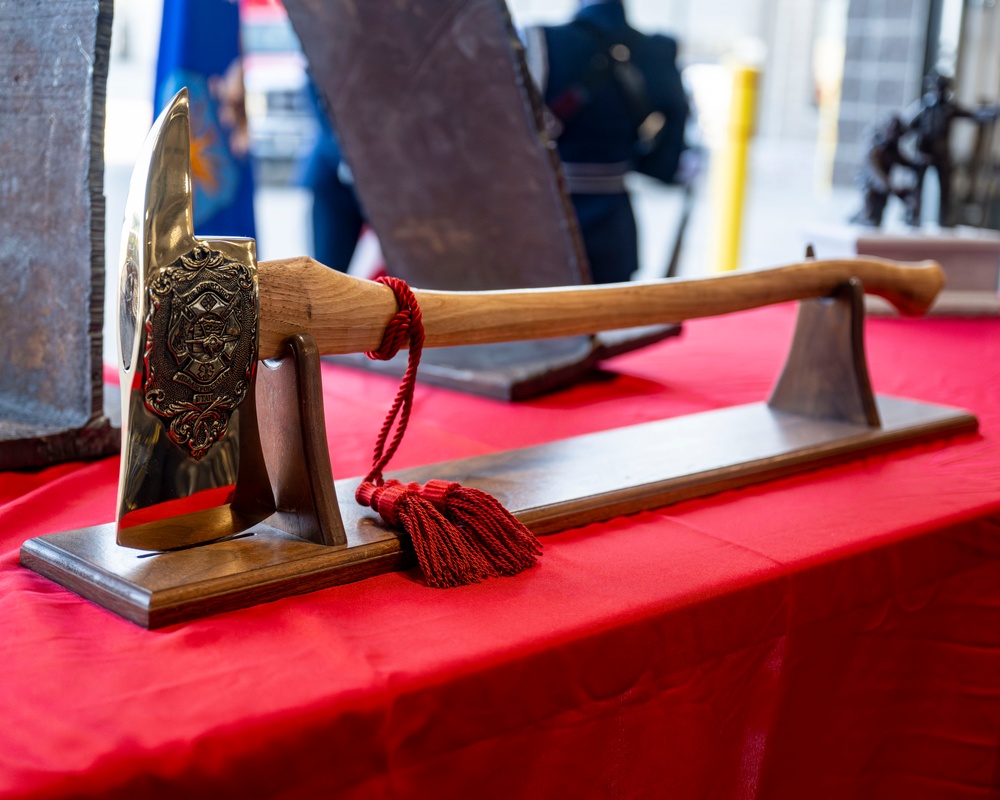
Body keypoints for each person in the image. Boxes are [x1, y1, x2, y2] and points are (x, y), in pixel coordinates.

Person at [523, 0, 689, 284]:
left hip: (545, 219)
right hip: (614, 225)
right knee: (608, 317)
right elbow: (669, 152)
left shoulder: (541, 40)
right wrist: (644, 161)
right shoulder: (659, 49)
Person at [905, 71, 998, 226]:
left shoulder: (949, 107)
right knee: (917, 186)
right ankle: (913, 216)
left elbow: (973, 115)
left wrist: (990, 112)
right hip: (925, 152)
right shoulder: (924, 106)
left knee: (945, 187)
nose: (941, 91)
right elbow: (907, 125)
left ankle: (945, 219)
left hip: (941, 152)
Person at [850, 114, 919, 227]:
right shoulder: (873, 147)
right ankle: (859, 220)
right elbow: (875, 172)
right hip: (870, 183)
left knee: (879, 213)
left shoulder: (891, 146)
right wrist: (891, 187)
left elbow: (900, 159)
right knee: (870, 213)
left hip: (884, 184)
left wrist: (916, 165)